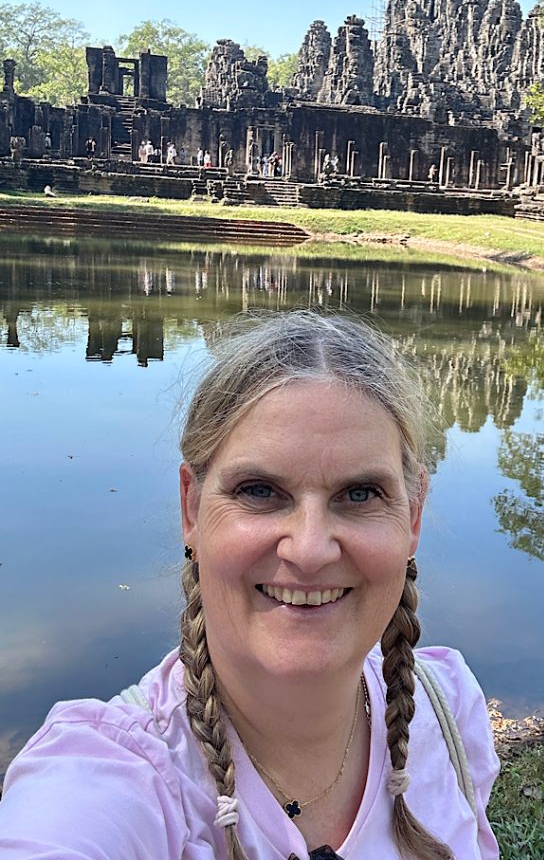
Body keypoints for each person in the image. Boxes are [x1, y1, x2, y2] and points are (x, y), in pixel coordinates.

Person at [0, 312, 500, 860]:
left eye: (359, 494)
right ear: (191, 508)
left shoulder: (447, 710)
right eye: (260, 490)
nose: (309, 549)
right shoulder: (109, 778)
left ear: (414, 516)